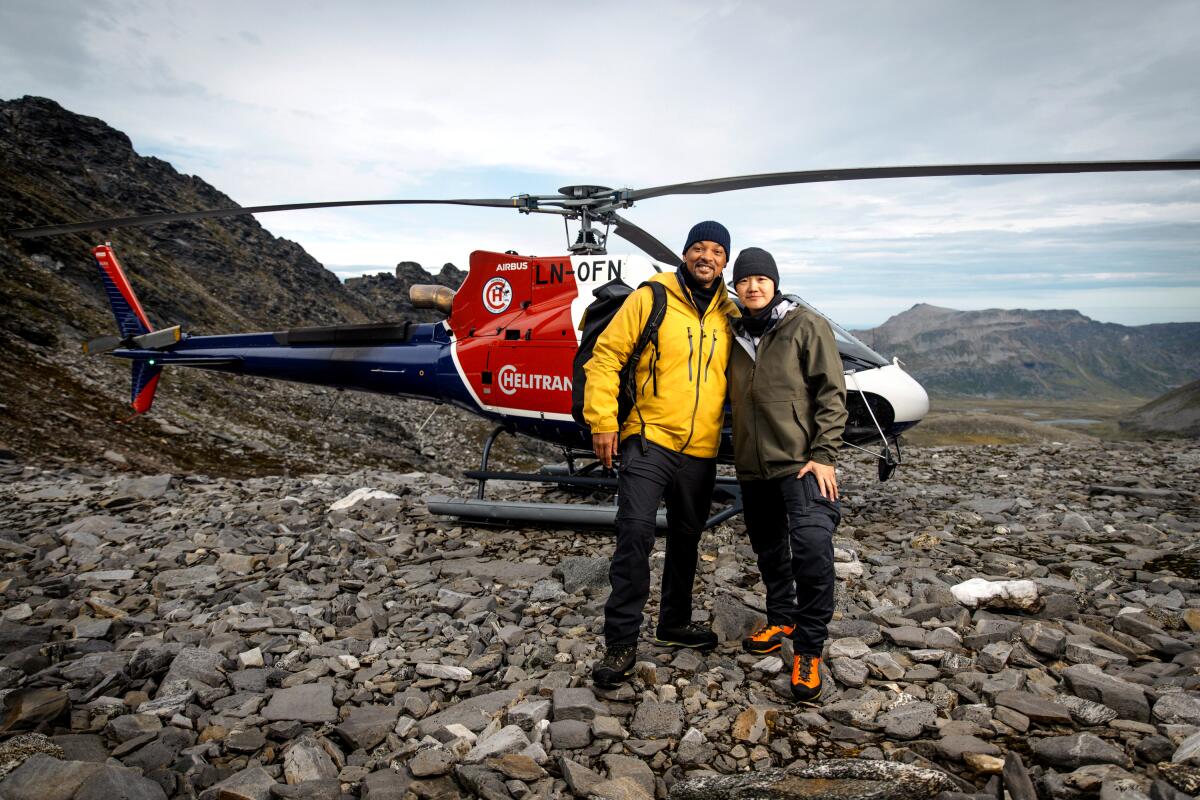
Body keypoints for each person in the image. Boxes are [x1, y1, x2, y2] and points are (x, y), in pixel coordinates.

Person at [583, 220, 739, 688]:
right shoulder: (652, 297)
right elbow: (605, 357)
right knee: (634, 532)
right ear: (685, 254)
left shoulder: (728, 313)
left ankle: (673, 623)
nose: (705, 256)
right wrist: (604, 421)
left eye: (715, 250)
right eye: (697, 248)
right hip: (649, 436)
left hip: (701, 446)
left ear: (725, 261)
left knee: (688, 537)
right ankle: (622, 641)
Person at [726, 247, 847, 703]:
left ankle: (809, 649)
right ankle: (781, 619)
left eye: (761, 279)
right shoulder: (733, 331)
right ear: (735, 287)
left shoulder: (804, 325)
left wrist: (825, 454)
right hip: (753, 466)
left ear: (775, 283)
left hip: (802, 463)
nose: (753, 287)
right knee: (769, 547)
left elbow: (832, 394)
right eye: (744, 280)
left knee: (813, 547)